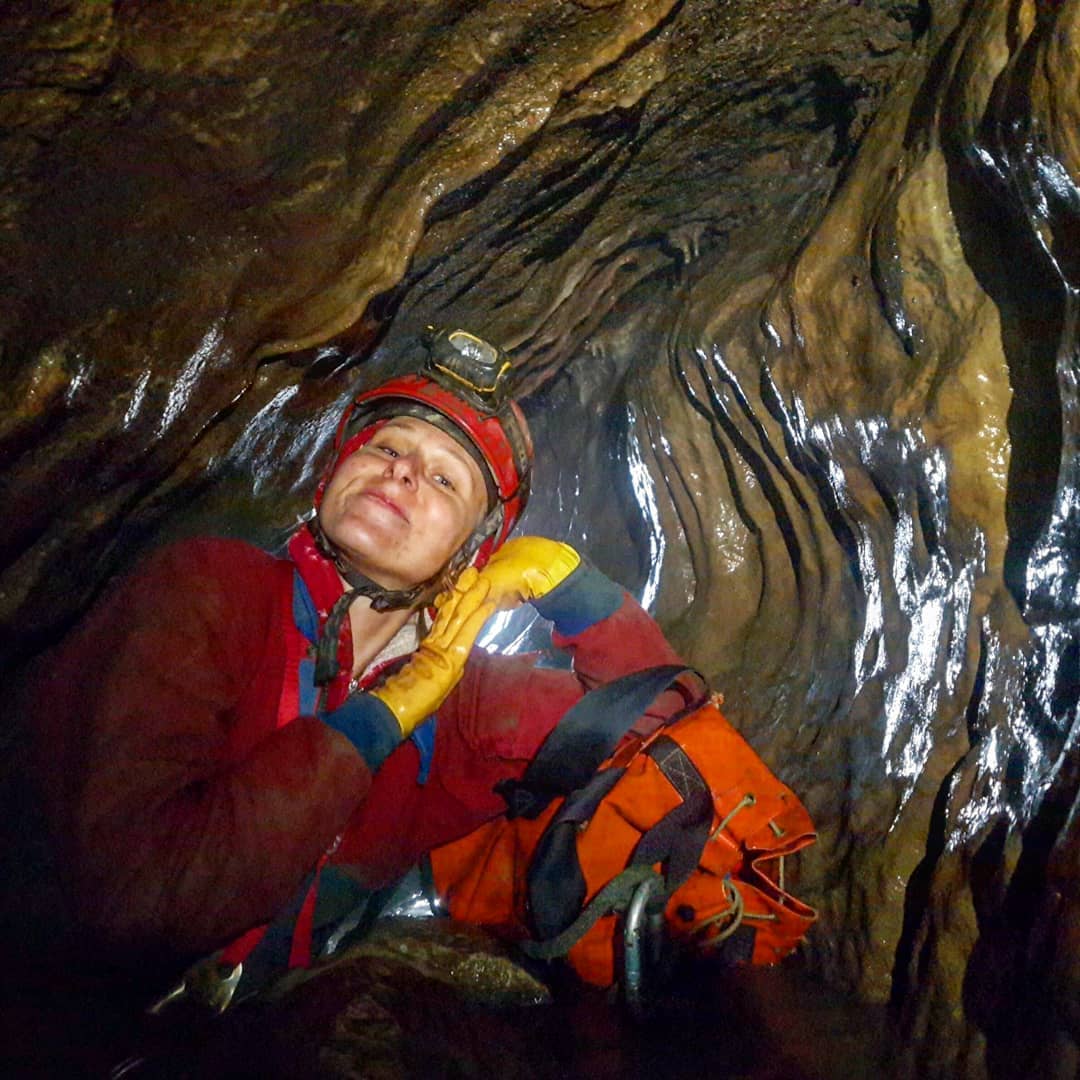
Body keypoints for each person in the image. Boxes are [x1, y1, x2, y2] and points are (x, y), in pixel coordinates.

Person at [27, 328, 695, 1004]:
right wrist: (382, 718)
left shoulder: (460, 708)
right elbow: (139, 895)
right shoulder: (207, 590)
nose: (401, 471)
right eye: (386, 447)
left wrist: (568, 583)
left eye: (444, 479)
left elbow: (664, 723)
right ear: (333, 474)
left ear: (471, 556)